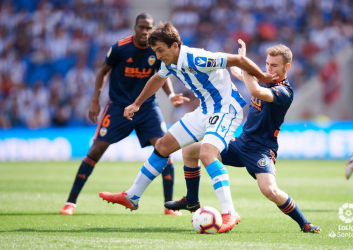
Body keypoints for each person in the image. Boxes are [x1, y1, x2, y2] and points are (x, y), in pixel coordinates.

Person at [98, 22, 278, 233]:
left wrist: (263, 77)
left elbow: (237, 59)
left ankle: (230, 212)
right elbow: (157, 78)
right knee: (163, 145)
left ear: (175, 46)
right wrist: (137, 103)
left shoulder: (197, 58)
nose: (158, 56)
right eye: (155, 51)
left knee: (207, 153)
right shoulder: (170, 62)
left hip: (226, 109)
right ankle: (133, 196)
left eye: (160, 51)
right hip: (205, 110)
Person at [165, 40, 321, 234]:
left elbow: (254, 90)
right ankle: (191, 199)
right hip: (240, 144)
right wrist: (241, 66)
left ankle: (305, 224)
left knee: (269, 191)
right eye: (267, 64)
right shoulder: (265, 79)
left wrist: (242, 62)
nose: (269, 69)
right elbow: (242, 75)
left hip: (261, 151)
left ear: (286, 67)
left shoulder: (284, 92)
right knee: (189, 150)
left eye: (275, 66)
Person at [60, 13, 189, 216]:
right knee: (96, 150)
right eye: (141, 27)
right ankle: (71, 202)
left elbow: (161, 75)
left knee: (165, 150)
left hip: (147, 107)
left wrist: (171, 95)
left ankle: (168, 206)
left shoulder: (157, 50)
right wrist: (95, 101)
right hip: (119, 107)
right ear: (135, 27)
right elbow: (103, 71)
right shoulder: (120, 48)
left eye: (149, 28)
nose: (145, 32)